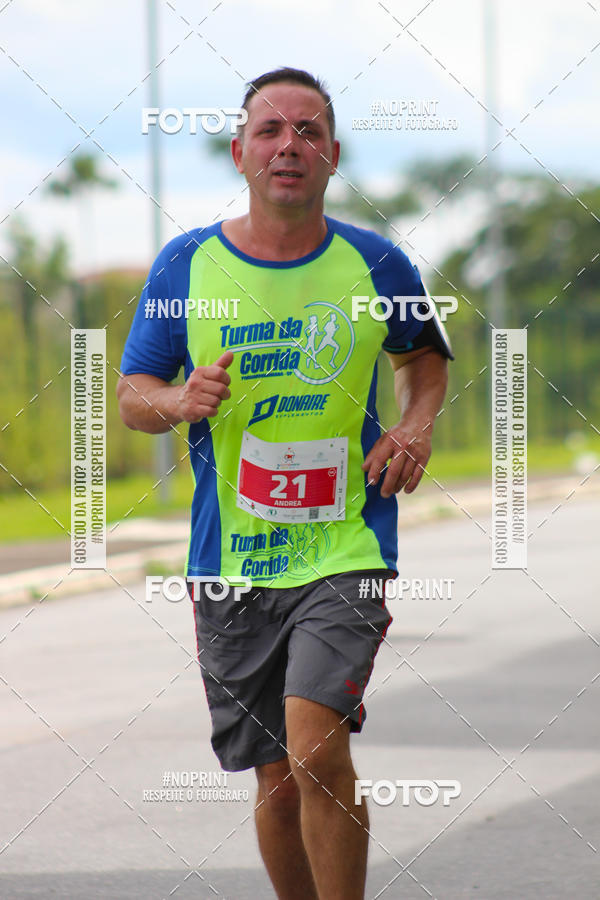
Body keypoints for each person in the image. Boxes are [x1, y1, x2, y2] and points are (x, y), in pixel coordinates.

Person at [117, 67, 452, 900]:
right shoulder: (184, 267)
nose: (288, 145)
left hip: (344, 545)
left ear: (332, 155)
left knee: (313, 749)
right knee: (274, 779)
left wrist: (415, 425)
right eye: (269, 131)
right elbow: (133, 397)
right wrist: (177, 399)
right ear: (240, 153)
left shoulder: (376, 264)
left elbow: (425, 358)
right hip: (232, 556)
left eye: (308, 131)